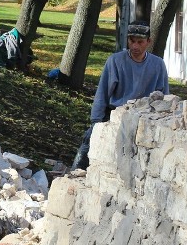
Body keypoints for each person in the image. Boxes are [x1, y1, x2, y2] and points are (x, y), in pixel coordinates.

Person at [72, 21, 170, 170]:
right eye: (132, 41)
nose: (135, 46)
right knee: (87, 147)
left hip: (144, 119)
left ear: (148, 42)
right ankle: (75, 174)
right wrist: (96, 122)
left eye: (140, 42)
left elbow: (164, 97)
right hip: (114, 115)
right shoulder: (116, 61)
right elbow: (103, 93)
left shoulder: (158, 65)